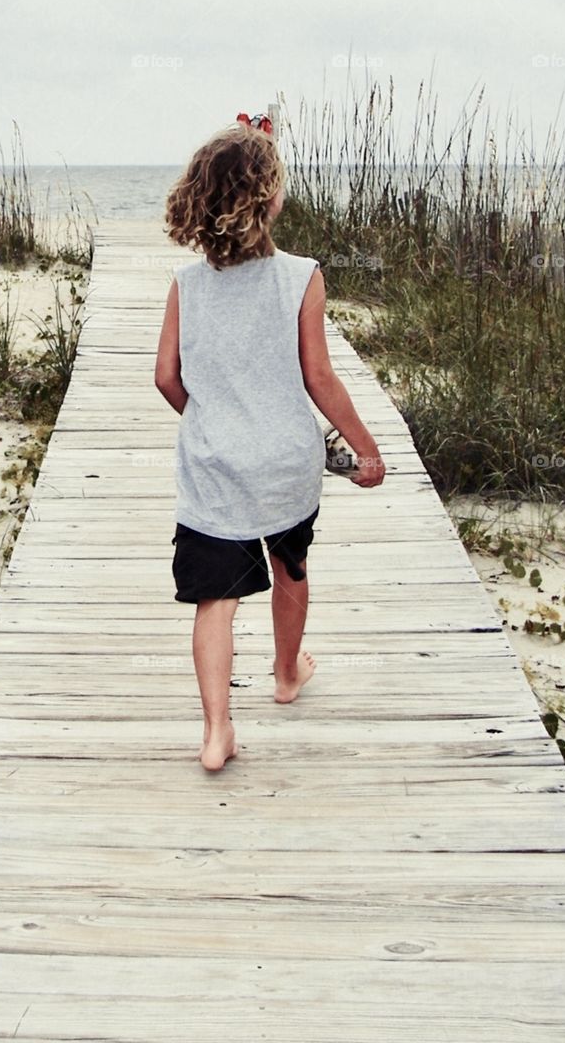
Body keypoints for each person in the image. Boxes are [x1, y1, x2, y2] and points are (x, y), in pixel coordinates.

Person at [154, 120, 385, 772]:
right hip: (285, 463)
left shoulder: (186, 284)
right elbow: (319, 377)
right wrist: (365, 449)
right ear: (270, 200)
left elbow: (165, 376)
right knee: (290, 567)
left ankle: (216, 732)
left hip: (214, 469)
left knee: (214, 600)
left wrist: (205, 418)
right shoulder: (300, 277)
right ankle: (286, 673)